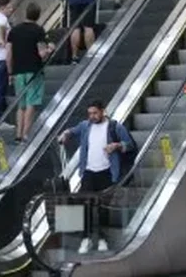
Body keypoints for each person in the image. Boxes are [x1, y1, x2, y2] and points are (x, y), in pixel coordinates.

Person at [58, 100, 135, 255]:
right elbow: (72, 131)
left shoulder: (115, 127)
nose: (92, 116)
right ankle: (85, 239)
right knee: (85, 205)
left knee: (103, 207)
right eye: (90, 113)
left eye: (95, 113)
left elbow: (130, 145)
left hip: (107, 172)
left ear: (103, 111)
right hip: (88, 172)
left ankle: (101, 239)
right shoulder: (86, 126)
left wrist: (117, 146)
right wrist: (65, 134)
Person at [7, 2, 53, 142]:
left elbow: (8, 53)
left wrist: (10, 73)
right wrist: (50, 49)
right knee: (31, 103)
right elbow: (41, 54)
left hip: (18, 72)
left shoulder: (14, 31)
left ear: (26, 13)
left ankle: (18, 134)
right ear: (38, 15)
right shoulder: (38, 30)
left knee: (21, 105)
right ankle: (26, 134)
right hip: (34, 72)